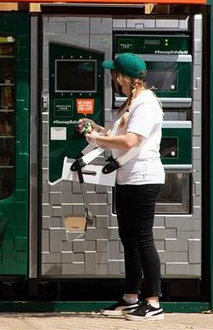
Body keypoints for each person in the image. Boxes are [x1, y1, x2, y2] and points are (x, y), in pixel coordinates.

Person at [79, 53, 165, 321]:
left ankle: (153, 302)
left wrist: (99, 140)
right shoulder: (132, 102)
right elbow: (121, 136)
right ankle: (130, 298)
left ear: (123, 77)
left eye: (114, 74)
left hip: (143, 178)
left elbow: (129, 141)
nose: (112, 78)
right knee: (130, 240)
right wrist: (98, 130)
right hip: (128, 178)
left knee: (143, 239)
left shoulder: (146, 104)